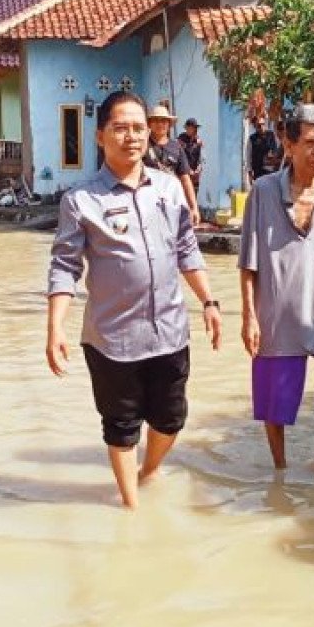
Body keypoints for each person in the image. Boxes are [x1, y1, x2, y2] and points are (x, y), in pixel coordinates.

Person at [46, 90, 222, 509]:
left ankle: (150, 470)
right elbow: (65, 266)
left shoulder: (168, 188)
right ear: (100, 135)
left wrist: (209, 302)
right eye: (120, 128)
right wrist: (55, 327)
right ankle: (130, 509)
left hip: (169, 331)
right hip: (112, 338)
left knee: (171, 418)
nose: (132, 137)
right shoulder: (81, 199)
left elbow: (185, 249)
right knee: (121, 427)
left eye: (139, 128)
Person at [238, 103, 314, 470]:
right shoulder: (263, 191)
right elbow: (248, 260)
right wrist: (249, 317)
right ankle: (280, 469)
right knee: (276, 403)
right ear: (289, 145)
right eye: (310, 142)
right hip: (278, 314)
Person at [144, 105, 201, 226]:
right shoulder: (142, 145)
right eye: (156, 120)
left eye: (164, 120)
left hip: (170, 203)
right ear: (149, 123)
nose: (160, 124)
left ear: (169, 124)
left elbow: (185, 179)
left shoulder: (176, 147)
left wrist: (193, 207)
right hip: (146, 203)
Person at [177, 117, 205, 195]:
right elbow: (180, 157)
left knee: (194, 194)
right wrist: (188, 170)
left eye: (193, 128)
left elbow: (202, 156)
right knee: (184, 195)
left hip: (195, 174)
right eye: (189, 127)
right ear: (186, 128)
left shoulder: (198, 141)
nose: (191, 129)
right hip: (184, 173)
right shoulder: (181, 139)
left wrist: (199, 168)